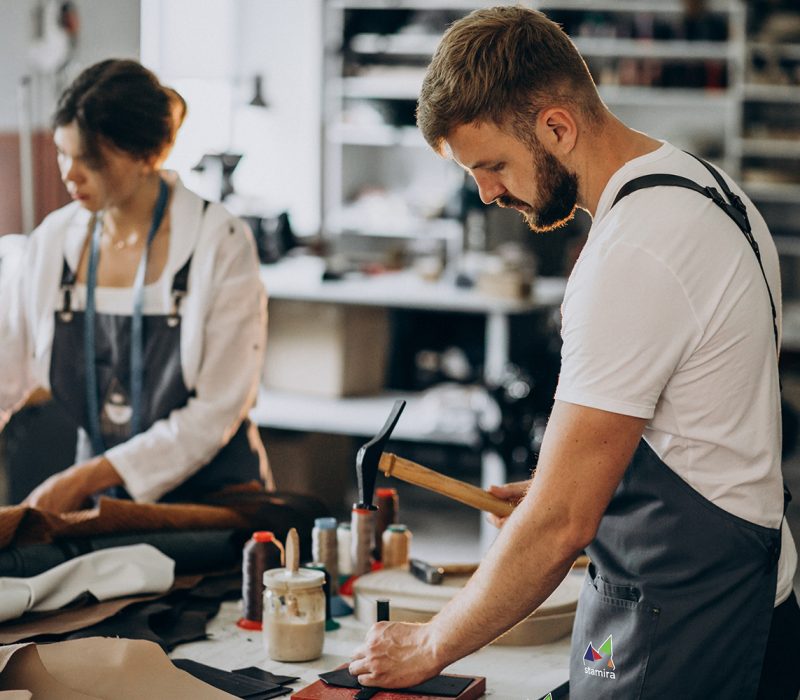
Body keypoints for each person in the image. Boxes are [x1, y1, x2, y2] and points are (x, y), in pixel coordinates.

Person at [348, 7, 799, 699]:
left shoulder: (631, 251)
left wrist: (431, 643)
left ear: (557, 126)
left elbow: (561, 526)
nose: (487, 191)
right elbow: (705, 423)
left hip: (681, 630)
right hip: (754, 597)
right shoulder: (710, 190)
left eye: (493, 164)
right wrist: (571, 479)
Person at [0, 59, 272, 512]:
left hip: (212, 505)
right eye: (63, 153)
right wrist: (87, 481)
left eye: (90, 159)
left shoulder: (217, 242)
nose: (70, 174)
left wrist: (83, 478)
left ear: (149, 155)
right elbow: (4, 373)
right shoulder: (53, 242)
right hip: (97, 502)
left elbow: (216, 410)